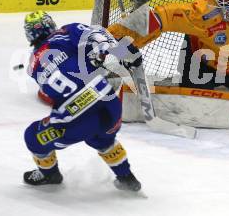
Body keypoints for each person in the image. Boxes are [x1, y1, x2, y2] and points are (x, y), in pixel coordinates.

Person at [23, 10, 141, 191]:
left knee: (32, 136)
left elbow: (50, 94)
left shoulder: (32, 66)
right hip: (110, 104)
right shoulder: (66, 32)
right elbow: (98, 35)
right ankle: (127, 178)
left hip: (75, 120)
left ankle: (50, 174)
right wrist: (117, 50)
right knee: (102, 139)